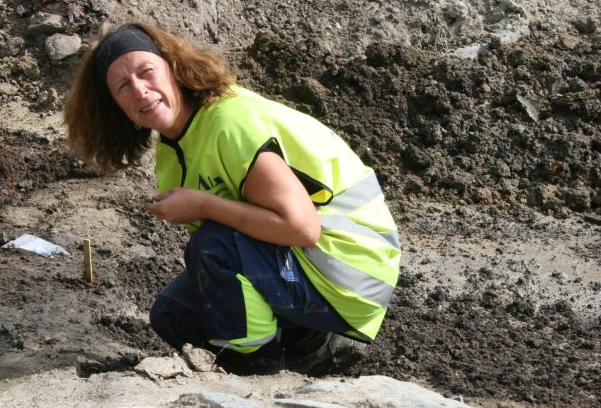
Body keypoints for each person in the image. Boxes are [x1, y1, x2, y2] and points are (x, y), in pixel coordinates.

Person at [63, 22, 400, 375]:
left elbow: (302, 228)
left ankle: (257, 367)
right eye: (123, 87)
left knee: (213, 248)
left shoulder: (228, 123)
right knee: (173, 313)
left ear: (173, 68)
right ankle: (305, 349)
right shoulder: (173, 149)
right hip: (311, 263)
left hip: (351, 269)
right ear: (115, 106)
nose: (140, 91)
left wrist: (202, 205)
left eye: (147, 72)